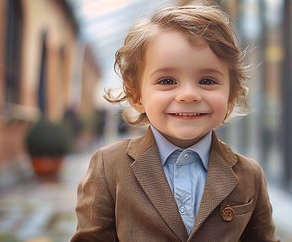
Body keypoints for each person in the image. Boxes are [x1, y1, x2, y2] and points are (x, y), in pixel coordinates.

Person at [72, 2, 279, 241]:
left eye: (208, 81)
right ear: (137, 96)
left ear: (231, 97)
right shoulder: (108, 166)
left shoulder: (249, 174)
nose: (188, 94)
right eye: (168, 81)